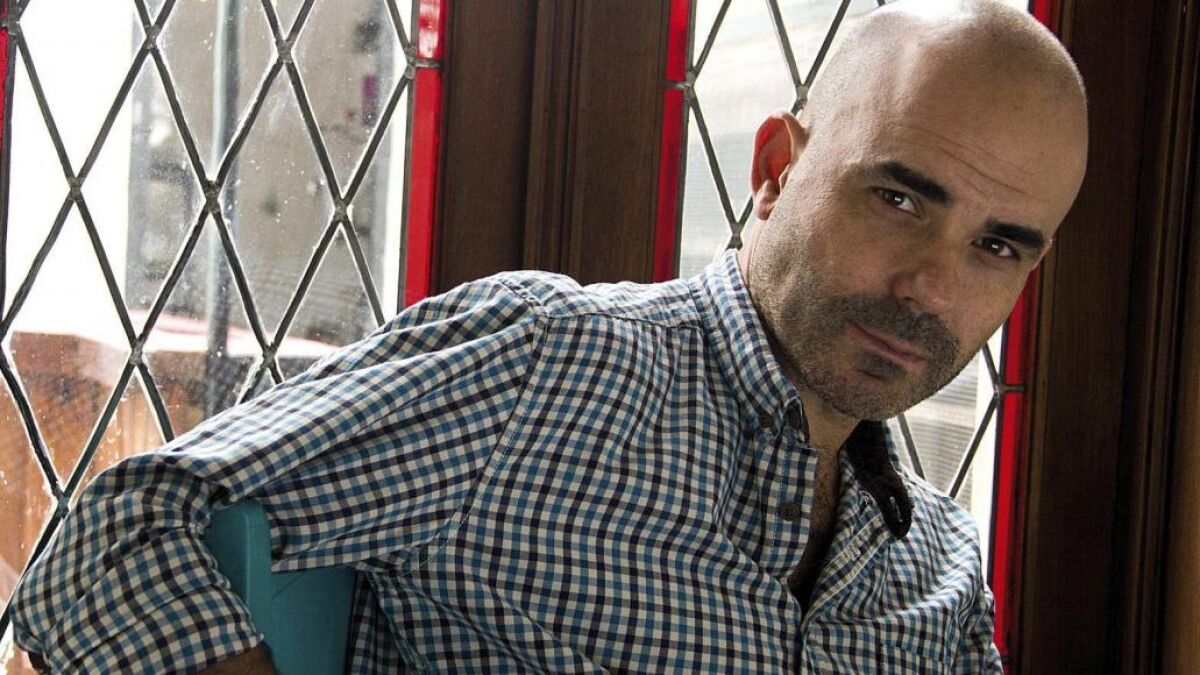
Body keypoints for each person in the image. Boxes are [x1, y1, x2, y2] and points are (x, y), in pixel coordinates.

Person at [11, 0, 1087, 672]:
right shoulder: (545, 368)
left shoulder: (942, 577)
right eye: (898, 199)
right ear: (775, 169)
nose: (929, 287)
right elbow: (119, 533)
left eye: (998, 246)